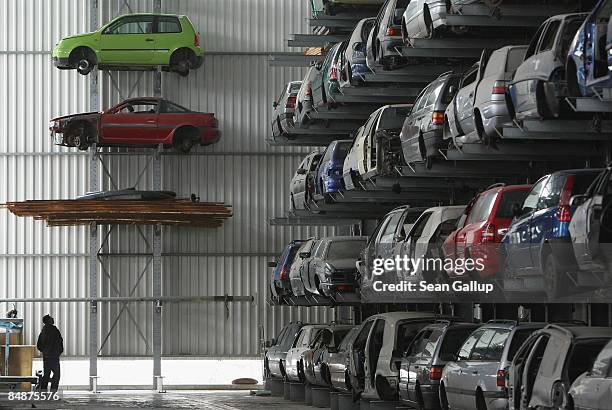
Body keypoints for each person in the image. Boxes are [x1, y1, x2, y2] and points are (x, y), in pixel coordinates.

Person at [36, 314, 63, 391]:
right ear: (48, 321)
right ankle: (53, 390)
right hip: (54, 357)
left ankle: (44, 390)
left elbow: (39, 345)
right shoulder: (55, 330)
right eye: (51, 318)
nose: (53, 319)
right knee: (57, 374)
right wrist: (58, 352)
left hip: (46, 356)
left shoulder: (43, 331)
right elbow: (59, 342)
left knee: (46, 375)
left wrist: (45, 351)